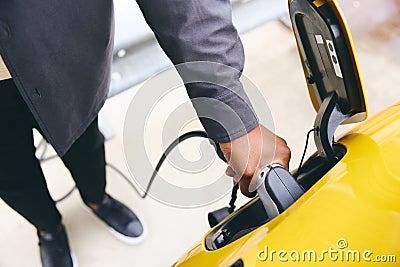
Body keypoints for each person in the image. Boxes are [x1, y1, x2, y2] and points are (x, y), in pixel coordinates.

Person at [0, 1, 291, 267]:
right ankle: (48, 228)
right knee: (11, 176)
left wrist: (229, 109)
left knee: (84, 145)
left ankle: (97, 199)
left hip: (57, 61)